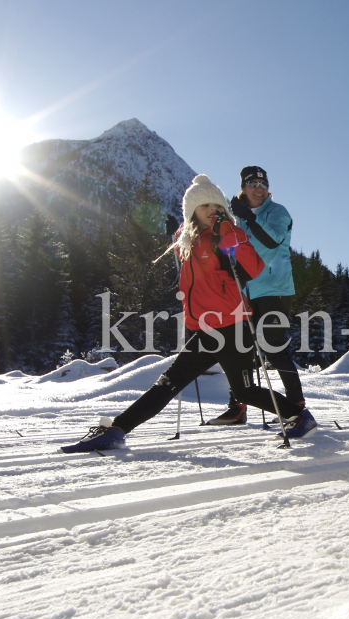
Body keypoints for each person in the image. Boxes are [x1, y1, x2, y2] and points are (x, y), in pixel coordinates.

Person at [64, 175, 317, 452]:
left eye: (218, 206)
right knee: (168, 383)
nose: (213, 210)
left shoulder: (225, 238)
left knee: (244, 391)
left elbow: (254, 268)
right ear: (192, 211)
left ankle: (298, 415)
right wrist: (178, 230)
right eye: (205, 205)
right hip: (205, 328)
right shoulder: (190, 242)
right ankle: (116, 430)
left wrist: (232, 234)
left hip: (233, 326)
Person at [208, 166, 305, 426]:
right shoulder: (235, 218)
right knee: (241, 348)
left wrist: (248, 219)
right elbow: (225, 250)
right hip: (246, 292)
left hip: (276, 289)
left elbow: (272, 241)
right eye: (253, 183)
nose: (259, 188)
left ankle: (296, 406)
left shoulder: (278, 212)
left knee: (273, 347)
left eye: (263, 183)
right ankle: (238, 406)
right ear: (243, 188)